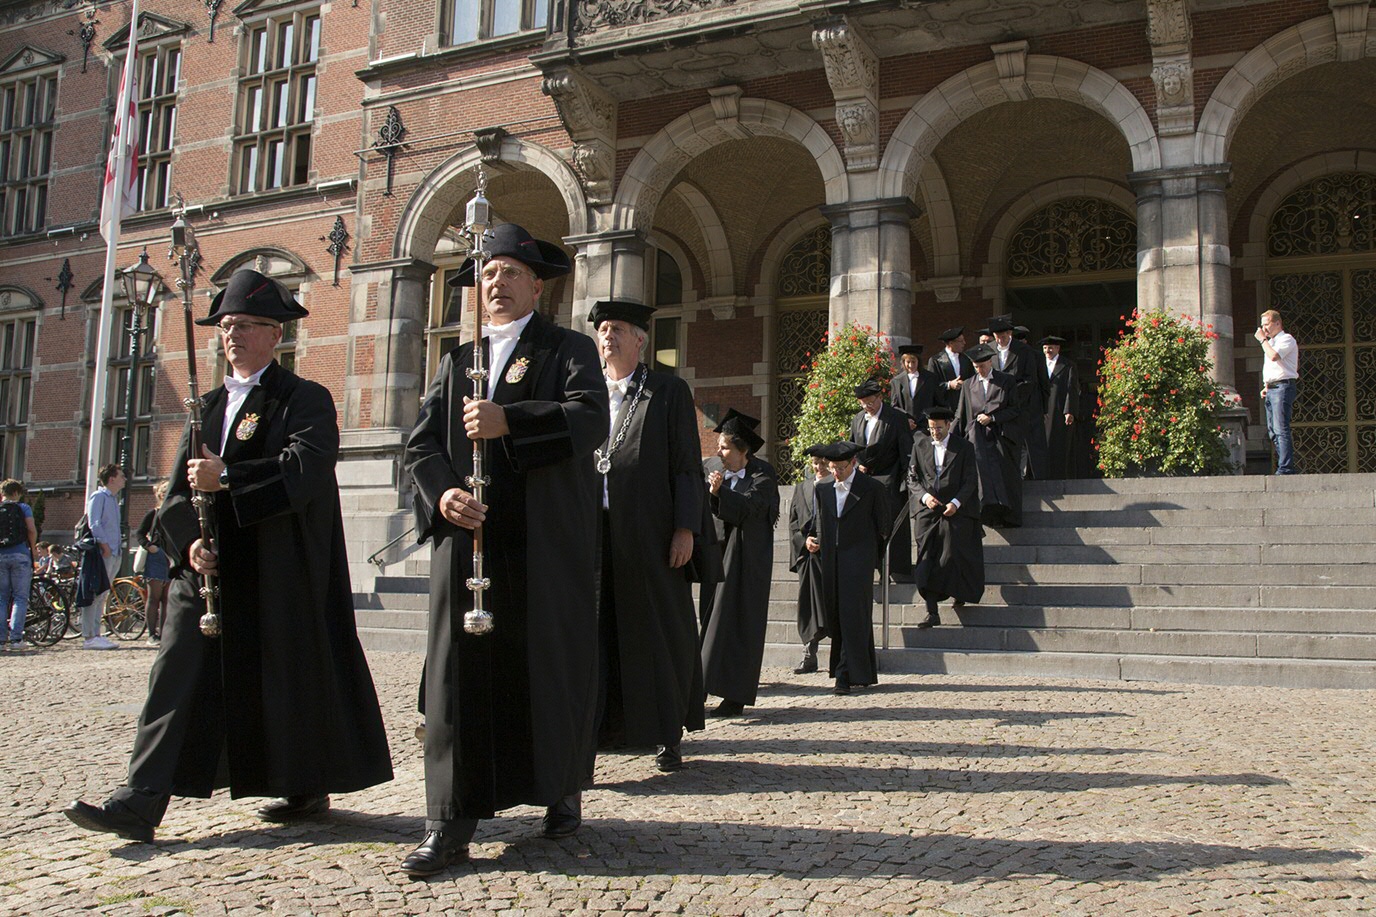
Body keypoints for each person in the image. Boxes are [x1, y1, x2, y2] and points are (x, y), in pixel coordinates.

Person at [64, 268, 392, 844]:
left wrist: (229, 477)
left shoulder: (302, 398)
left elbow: (308, 469)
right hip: (208, 576)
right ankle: (140, 801)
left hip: (279, 571)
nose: (232, 335)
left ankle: (303, 781)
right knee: (174, 676)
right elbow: (173, 497)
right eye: (225, 327)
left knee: (288, 679)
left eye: (245, 326)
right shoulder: (206, 408)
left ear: (275, 334)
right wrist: (189, 543)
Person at [402, 223, 608, 877]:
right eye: (487, 273)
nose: (497, 282)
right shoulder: (458, 361)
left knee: (544, 670)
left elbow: (589, 417)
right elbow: (421, 444)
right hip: (470, 548)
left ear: (536, 284)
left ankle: (559, 786)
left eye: (510, 271)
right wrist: (441, 497)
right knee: (456, 679)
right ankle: (448, 818)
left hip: (541, 546)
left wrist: (510, 420)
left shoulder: (566, 348)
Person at [587, 299, 704, 775]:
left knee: (658, 634)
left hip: (652, 535)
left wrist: (685, 528)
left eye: (617, 329)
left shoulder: (667, 391)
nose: (607, 336)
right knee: (596, 637)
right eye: (602, 330)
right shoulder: (586, 393)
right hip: (594, 535)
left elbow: (686, 465)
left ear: (641, 339)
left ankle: (666, 732)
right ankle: (598, 731)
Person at [700, 409, 779, 718]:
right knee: (710, 622)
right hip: (714, 555)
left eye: (725, 448)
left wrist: (721, 492)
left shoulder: (763, 474)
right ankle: (700, 686)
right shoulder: (709, 467)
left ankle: (734, 696)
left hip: (747, 562)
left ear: (743, 451)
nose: (718, 453)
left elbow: (753, 509)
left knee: (740, 625)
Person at [811, 441, 889, 696]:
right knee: (838, 616)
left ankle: (844, 674)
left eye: (841, 468)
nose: (836, 473)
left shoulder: (872, 488)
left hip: (860, 561)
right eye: (832, 468)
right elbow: (819, 522)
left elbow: (883, 528)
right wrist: (814, 539)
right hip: (832, 560)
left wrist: (871, 559)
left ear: (853, 464)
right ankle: (861, 671)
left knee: (853, 615)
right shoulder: (823, 489)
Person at [909, 407, 984, 627]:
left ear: (949, 425)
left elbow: (971, 480)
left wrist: (956, 503)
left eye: (939, 428)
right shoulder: (919, 446)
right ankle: (931, 611)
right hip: (928, 512)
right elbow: (912, 478)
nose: (935, 433)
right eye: (931, 428)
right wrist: (924, 498)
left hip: (955, 510)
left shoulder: (964, 448)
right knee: (926, 561)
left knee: (951, 555)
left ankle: (957, 590)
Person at [849, 379, 913, 583]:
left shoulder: (895, 418)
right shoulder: (858, 419)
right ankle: (872, 567)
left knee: (890, 524)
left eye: (871, 402)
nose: (868, 406)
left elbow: (906, 452)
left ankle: (895, 568)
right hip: (863, 479)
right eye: (863, 403)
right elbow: (853, 445)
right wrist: (857, 464)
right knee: (866, 526)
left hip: (889, 479)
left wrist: (905, 481)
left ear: (879, 398)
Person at [956, 343, 1022, 528]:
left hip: (1001, 436)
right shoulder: (968, 384)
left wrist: (993, 417)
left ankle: (1009, 516)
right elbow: (960, 414)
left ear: (990, 362)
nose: (980, 370)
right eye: (976, 367)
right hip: (977, 439)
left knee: (1005, 476)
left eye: (982, 366)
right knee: (981, 476)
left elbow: (1015, 409)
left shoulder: (1006, 381)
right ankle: (987, 514)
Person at [787, 447, 830, 675]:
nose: (819, 468)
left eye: (823, 463)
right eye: (815, 463)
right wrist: (804, 541)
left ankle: (842, 656)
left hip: (830, 555)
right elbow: (793, 522)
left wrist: (824, 541)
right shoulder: (802, 487)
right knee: (808, 604)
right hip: (807, 555)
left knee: (830, 603)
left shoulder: (836, 486)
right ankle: (809, 651)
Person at [988, 317, 1047, 480]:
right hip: (998, 409)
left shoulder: (1024, 351)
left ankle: (1035, 479)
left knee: (1029, 446)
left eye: (1004, 336)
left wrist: (1009, 395)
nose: (1000, 339)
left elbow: (1030, 380)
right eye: (997, 336)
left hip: (1022, 406)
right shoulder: (988, 350)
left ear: (1010, 333)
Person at [77, 464, 124, 650]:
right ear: (111, 479)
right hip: (103, 552)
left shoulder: (113, 499)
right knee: (95, 592)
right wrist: (104, 545)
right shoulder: (99, 497)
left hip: (114, 551)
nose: (124, 479)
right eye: (121, 476)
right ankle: (89, 635)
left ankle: (96, 633)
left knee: (102, 594)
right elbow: (94, 522)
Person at [1256, 309, 1299, 475]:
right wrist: (1266, 386)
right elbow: (1272, 367)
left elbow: (1274, 357)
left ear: (1277, 323)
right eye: (1262, 326)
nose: (1264, 329)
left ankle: (1286, 468)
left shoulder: (1286, 339)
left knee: (1281, 428)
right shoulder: (1271, 342)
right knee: (1273, 431)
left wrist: (1262, 341)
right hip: (1272, 388)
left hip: (1283, 387)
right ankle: (1283, 465)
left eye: (1266, 324)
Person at [0, 479, 38, 651]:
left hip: (1, 555)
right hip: (20, 555)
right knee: (20, 598)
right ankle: (16, 639)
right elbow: (31, 529)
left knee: (1, 598)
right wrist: (33, 549)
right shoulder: (23, 508)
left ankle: (0, 640)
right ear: (17, 493)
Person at [134, 480, 172, 643]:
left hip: (169, 557)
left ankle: (164, 633)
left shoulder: (174, 513)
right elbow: (140, 533)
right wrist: (150, 547)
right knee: (153, 597)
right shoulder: (154, 513)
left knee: (166, 598)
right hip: (156, 556)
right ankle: (151, 634)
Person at [1038, 336, 1079, 480]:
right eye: (1045, 348)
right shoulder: (1039, 365)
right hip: (1042, 410)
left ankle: (1059, 476)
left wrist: (1069, 411)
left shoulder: (1067, 365)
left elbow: (1071, 389)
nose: (1047, 350)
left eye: (1050, 348)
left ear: (1057, 348)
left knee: (1059, 443)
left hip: (1059, 408)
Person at [889, 344, 939, 431]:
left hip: (926, 427)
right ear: (903, 362)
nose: (911, 365)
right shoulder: (896, 381)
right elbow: (894, 405)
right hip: (905, 427)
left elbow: (937, 402)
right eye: (908, 362)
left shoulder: (930, 378)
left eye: (913, 362)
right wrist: (906, 419)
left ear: (918, 361)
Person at [928, 327, 973, 410]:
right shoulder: (936, 360)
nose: (964, 343)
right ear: (951, 343)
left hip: (964, 405)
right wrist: (949, 385)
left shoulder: (967, 359)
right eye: (961, 341)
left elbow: (972, 378)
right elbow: (931, 385)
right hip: (946, 406)